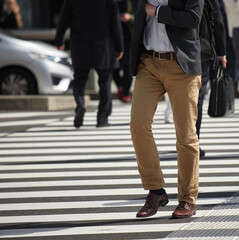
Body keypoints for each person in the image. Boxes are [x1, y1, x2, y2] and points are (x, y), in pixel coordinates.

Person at [129, 0, 203, 218]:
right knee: (138, 125)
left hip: (181, 65)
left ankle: (188, 199)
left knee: (186, 135)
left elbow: (193, 18)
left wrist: (158, 12)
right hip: (148, 62)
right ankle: (156, 191)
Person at [55, 0, 124, 128]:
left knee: (79, 79)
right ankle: (102, 118)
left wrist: (59, 39)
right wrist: (120, 47)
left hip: (80, 44)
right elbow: (115, 23)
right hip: (103, 45)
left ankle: (80, 104)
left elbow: (63, 18)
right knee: (105, 82)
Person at [196, 0, 227, 158]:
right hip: (203, 49)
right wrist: (221, 52)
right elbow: (218, 20)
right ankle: (194, 141)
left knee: (186, 99)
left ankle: (188, 141)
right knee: (197, 98)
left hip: (177, 48)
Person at [113, 0, 134, 103]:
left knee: (128, 67)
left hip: (128, 39)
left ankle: (125, 92)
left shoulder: (131, 2)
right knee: (114, 67)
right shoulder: (110, 3)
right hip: (113, 41)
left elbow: (141, 15)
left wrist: (130, 17)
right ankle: (120, 86)